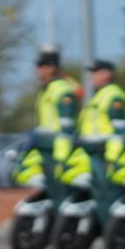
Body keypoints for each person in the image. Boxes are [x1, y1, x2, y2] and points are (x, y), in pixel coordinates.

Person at [77, 59, 125, 224]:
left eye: (96, 72)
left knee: (110, 195)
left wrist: (112, 158)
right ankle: (107, 233)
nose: (92, 76)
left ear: (108, 74)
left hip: (105, 155)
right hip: (94, 153)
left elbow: (119, 131)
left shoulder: (114, 96)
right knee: (100, 196)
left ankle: (113, 234)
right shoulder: (98, 95)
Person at [32, 49, 79, 206]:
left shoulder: (62, 91)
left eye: (41, 66)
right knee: (53, 194)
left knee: (61, 196)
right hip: (47, 150)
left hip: (57, 153)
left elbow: (66, 129)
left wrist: (61, 159)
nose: (37, 70)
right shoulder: (46, 91)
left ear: (51, 68)